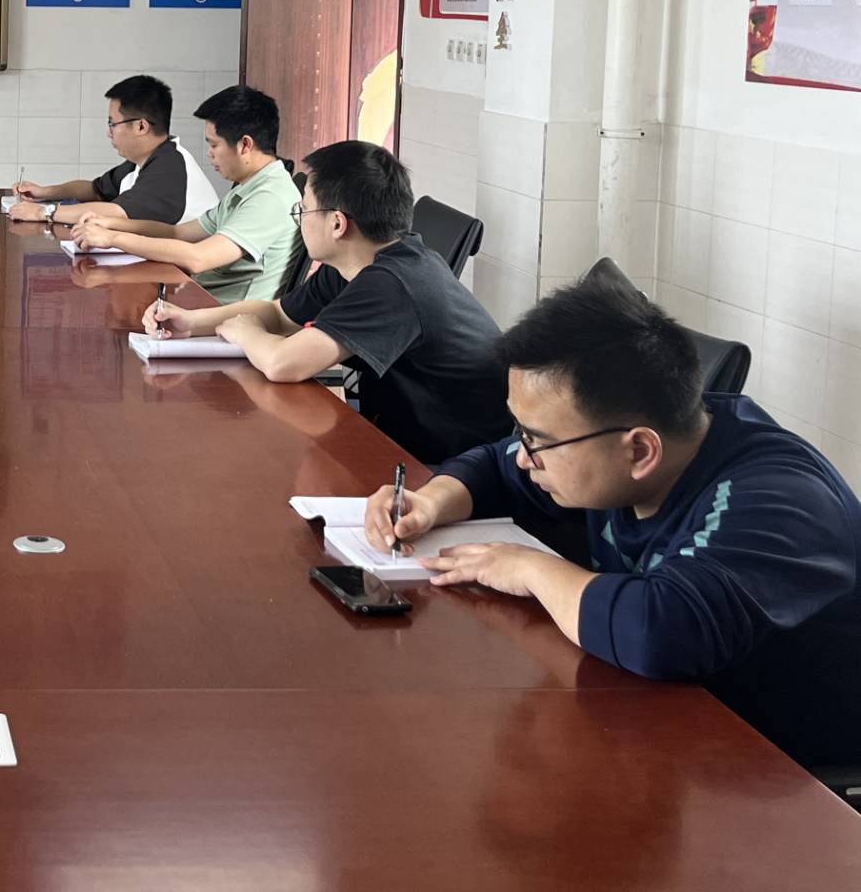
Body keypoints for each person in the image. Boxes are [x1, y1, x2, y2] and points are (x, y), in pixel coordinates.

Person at [361, 270, 861, 772]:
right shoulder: (621, 451)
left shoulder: (780, 502)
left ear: (640, 451)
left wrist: (531, 569)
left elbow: (660, 631)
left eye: (537, 440)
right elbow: (496, 463)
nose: (524, 456)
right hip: (661, 719)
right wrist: (429, 503)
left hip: (783, 768)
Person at [143, 139, 504, 463]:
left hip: (458, 464)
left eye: (303, 210)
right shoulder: (356, 262)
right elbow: (278, 314)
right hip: (403, 436)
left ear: (337, 224)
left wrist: (245, 332)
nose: (299, 221)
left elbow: (284, 364)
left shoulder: (391, 284)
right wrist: (192, 321)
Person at [73, 85, 301, 301]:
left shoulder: (270, 197)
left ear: (245, 145)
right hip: (201, 302)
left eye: (214, 145)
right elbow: (177, 233)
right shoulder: (248, 187)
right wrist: (111, 224)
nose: (210, 154)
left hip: (227, 317)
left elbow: (198, 258)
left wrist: (113, 238)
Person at [10, 75, 221, 228]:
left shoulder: (169, 167)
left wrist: (44, 213)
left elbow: (116, 212)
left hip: (189, 275)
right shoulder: (145, 159)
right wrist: (44, 192)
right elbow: (95, 190)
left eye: (113, 124)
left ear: (141, 126)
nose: (108, 132)